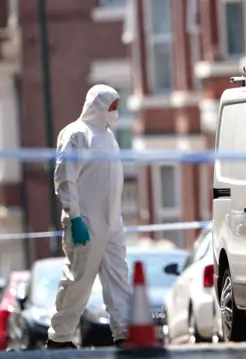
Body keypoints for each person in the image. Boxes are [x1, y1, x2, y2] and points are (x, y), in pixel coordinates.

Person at [46, 85, 132, 349]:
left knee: (119, 279)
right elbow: (64, 177)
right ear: (98, 106)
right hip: (86, 222)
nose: (116, 112)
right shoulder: (76, 134)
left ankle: (124, 334)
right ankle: (59, 339)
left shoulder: (109, 137)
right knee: (78, 282)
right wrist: (74, 217)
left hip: (112, 223)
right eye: (112, 106)